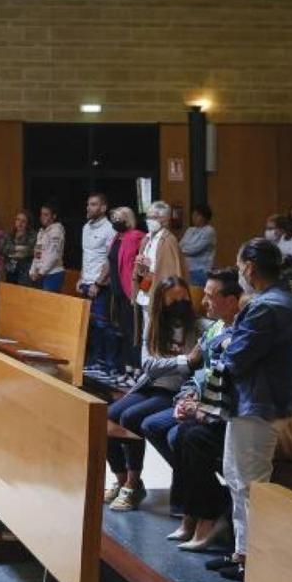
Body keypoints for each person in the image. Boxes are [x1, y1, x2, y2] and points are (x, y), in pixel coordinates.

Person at [207, 239, 292, 582]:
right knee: (236, 476)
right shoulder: (278, 300)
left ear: (249, 267)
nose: (240, 273)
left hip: (259, 403)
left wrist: (223, 345)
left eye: (239, 267)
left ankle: (254, 559)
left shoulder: (267, 306)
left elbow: (235, 356)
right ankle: (242, 552)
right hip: (252, 400)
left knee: (251, 484)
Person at [139, 268, 243, 546]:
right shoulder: (215, 328)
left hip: (225, 415)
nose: (203, 302)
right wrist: (185, 399)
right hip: (203, 405)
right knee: (163, 428)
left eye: (209, 296)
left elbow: (228, 383)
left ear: (231, 300)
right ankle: (194, 513)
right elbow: (198, 375)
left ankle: (205, 513)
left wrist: (198, 406)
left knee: (182, 436)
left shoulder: (239, 334)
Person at [105, 277, 198, 512]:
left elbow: (193, 366)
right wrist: (184, 361)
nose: (180, 304)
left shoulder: (195, 327)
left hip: (175, 391)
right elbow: (148, 365)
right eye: (173, 300)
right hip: (150, 385)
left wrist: (175, 364)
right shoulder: (154, 324)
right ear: (162, 302)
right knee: (107, 417)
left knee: (131, 417)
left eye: (184, 298)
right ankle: (122, 479)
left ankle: (133, 483)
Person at [134, 201, 186, 361]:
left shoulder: (168, 240)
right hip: (146, 292)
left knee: (157, 336)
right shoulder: (147, 238)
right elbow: (143, 271)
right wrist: (142, 266)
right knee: (146, 335)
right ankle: (147, 367)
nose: (149, 220)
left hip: (159, 295)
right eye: (148, 216)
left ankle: (155, 368)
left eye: (154, 217)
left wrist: (150, 267)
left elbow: (171, 273)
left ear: (165, 219)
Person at [78, 193, 117, 376]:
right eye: (88, 204)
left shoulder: (110, 229)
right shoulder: (86, 227)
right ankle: (94, 361)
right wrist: (81, 277)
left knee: (103, 325)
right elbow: (86, 255)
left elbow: (109, 260)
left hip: (100, 284)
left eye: (93, 204)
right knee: (91, 325)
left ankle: (108, 365)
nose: (89, 207)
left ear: (103, 208)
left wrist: (98, 283)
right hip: (86, 282)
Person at [107, 206, 146, 380]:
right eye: (114, 218)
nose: (115, 221)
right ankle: (127, 367)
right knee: (123, 330)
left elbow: (141, 264)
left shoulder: (136, 236)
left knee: (133, 331)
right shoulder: (116, 237)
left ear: (128, 219)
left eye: (119, 218)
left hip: (130, 290)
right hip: (116, 290)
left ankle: (137, 368)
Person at [28, 203, 65, 292]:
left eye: (46, 214)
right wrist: (32, 271)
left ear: (54, 216)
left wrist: (40, 272)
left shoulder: (56, 231)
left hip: (53, 274)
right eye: (41, 214)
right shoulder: (41, 232)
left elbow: (54, 256)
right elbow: (37, 253)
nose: (42, 217)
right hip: (41, 274)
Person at [180, 204, 217, 286]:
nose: (194, 217)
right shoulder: (190, 230)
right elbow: (180, 245)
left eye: (197, 215)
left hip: (200, 270)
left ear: (205, 217)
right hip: (186, 268)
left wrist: (182, 250)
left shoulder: (209, 231)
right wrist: (183, 249)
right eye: (193, 215)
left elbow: (194, 250)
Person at [0, 210, 36, 287]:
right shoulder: (9, 234)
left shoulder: (33, 235)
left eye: (23, 221)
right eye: (18, 219)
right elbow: (1, 248)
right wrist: (17, 248)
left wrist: (11, 252)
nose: (20, 223)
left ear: (28, 223)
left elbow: (28, 251)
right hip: (10, 270)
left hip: (24, 273)